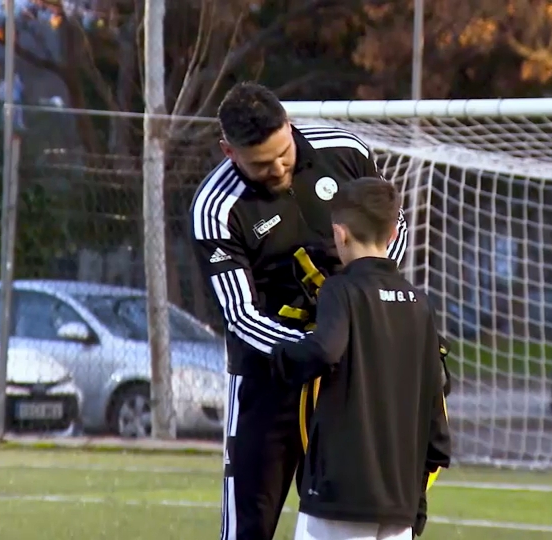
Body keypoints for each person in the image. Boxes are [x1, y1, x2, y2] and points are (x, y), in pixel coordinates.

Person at [190, 82, 408, 540]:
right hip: (269, 380)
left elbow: (392, 231)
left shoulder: (345, 152)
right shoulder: (215, 207)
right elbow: (241, 314)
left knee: (354, 518)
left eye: (283, 153)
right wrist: (317, 347)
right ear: (229, 151)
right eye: (260, 164)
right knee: (249, 527)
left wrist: (360, 315)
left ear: (289, 125)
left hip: (346, 378)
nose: (278, 168)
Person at [270, 177, 452, 540]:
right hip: (399, 500)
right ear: (393, 236)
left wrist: (281, 355)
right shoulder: (419, 304)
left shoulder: (341, 289)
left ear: (340, 234)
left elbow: (325, 349)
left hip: (340, 493)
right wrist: (417, 502)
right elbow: (438, 397)